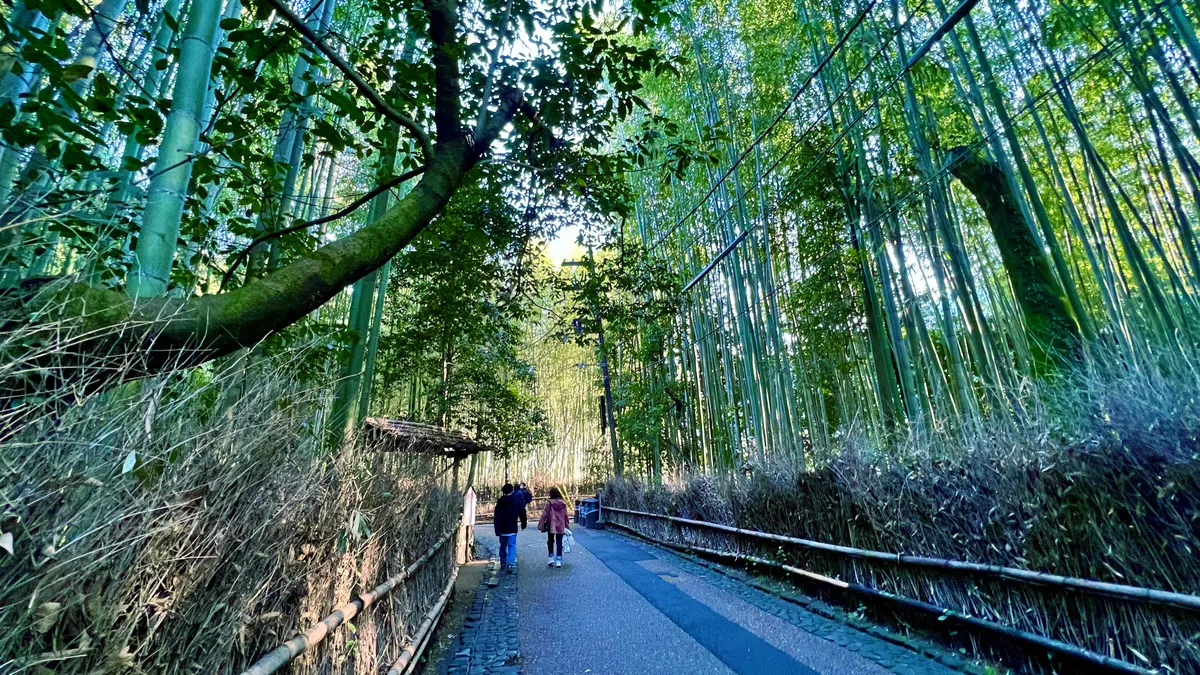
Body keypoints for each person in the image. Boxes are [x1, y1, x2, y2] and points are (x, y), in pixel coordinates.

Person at [493, 483, 526, 572]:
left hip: (502, 528)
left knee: (503, 546)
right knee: (511, 546)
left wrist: (496, 528)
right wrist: (524, 523)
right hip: (512, 528)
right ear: (512, 491)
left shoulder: (500, 501)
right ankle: (510, 564)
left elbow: (496, 516)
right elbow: (522, 512)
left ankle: (503, 562)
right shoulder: (515, 500)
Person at [538, 487, 570, 567]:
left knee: (550, 541)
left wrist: (541, 524)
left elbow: (545, 513)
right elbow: (566, 515)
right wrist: (567, 525)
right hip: (561, 524)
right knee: (559, 542)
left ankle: (551, 558)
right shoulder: (563, 503)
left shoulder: (549, 502)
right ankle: (558, 560)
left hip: (551, 524)